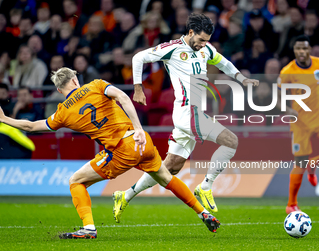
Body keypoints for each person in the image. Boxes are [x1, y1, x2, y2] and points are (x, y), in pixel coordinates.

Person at [0, 67, 220, 239]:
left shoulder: (63, 112)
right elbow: (124, 98)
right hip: (141, 142)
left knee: (76, 181)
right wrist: (140, 130)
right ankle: (203, 213)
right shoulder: (96, 85)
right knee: (165, 178)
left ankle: (88, 228)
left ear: (59, 90)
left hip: (121, 150)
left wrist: (5, 119)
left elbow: (31, 127)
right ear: (76, 80)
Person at [113, 13, 259, 222]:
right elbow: (138, 57)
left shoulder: (206, 48)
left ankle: (124, 196)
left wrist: (242, 79)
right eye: (200, 40)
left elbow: (224, 63)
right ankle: (205, 186)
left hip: (193, 114)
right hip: (187, 112)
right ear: (190, 32)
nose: (203, 45)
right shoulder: (172, 48)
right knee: (231, 141)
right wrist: (138, 87)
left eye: (207, 41)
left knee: (172, 166)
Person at [277, 35, 319, 214]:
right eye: (298, 49)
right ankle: (291, 204)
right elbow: (279, 98)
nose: (301, 52)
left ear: (309, 49)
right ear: (294, 51)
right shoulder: (287, 72)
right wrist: (287, 110)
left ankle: (315, 163)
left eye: (305, 48)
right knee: (300, 162)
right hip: (300, 122)